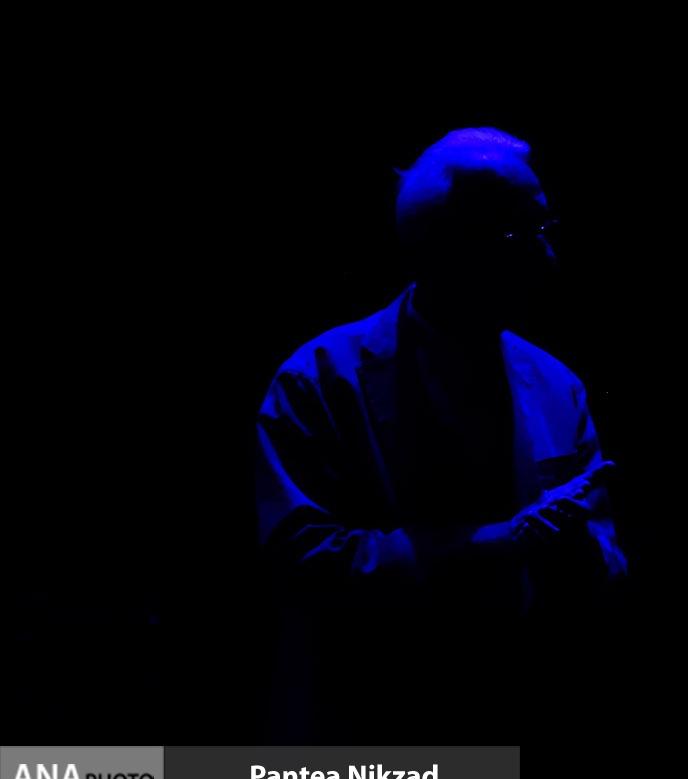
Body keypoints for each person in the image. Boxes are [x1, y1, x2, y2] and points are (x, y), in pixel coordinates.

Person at [253, 127, 626, 743]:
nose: (549, 258)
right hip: (371, 733)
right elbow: (306, 564)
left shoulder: (558, 386)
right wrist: (501, 542)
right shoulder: (317, 380)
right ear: (444, 250)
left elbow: (605, 569)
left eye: (546, 229)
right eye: (520, 236)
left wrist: (581, 551)